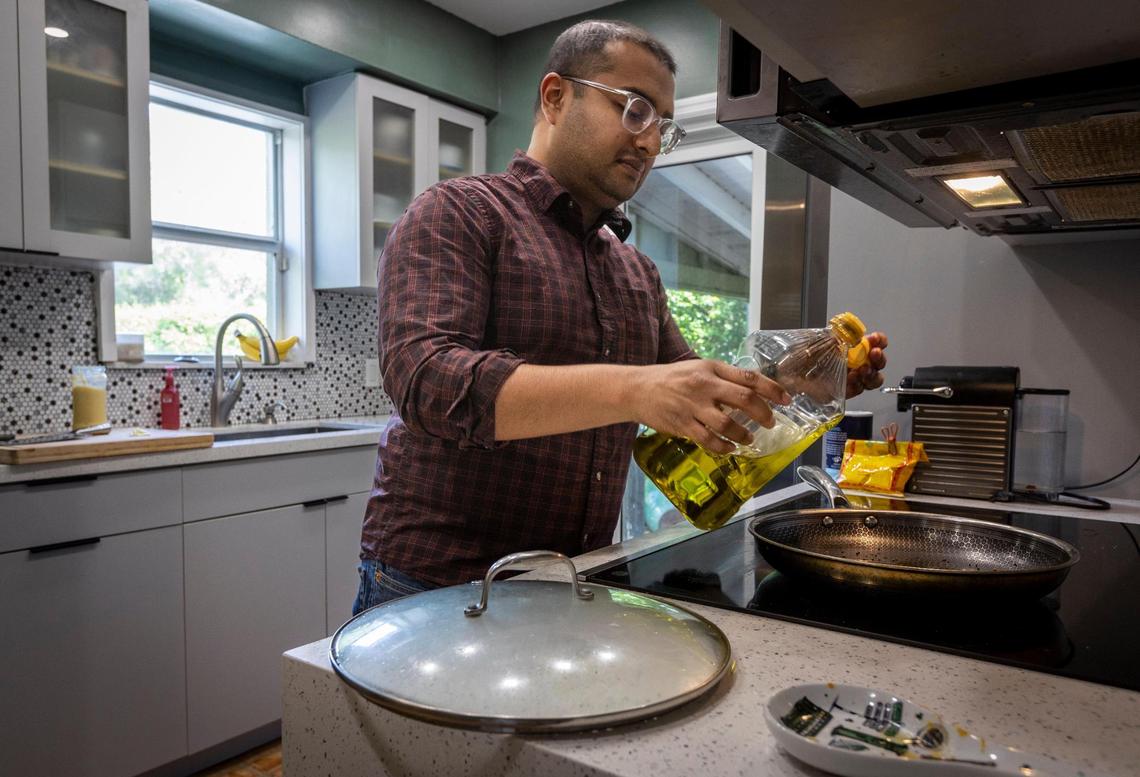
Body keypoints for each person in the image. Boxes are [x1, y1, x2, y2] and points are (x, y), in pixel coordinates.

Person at [353, 20, 888, 613]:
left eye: (663, 125)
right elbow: (426, 382)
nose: (650, 142)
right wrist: (636, 389)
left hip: (576, 577)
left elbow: (699, 402)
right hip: (438, 586)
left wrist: (794, 386)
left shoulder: (636, 272)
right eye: (635, 110)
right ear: (556, 97)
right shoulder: (460, 213)